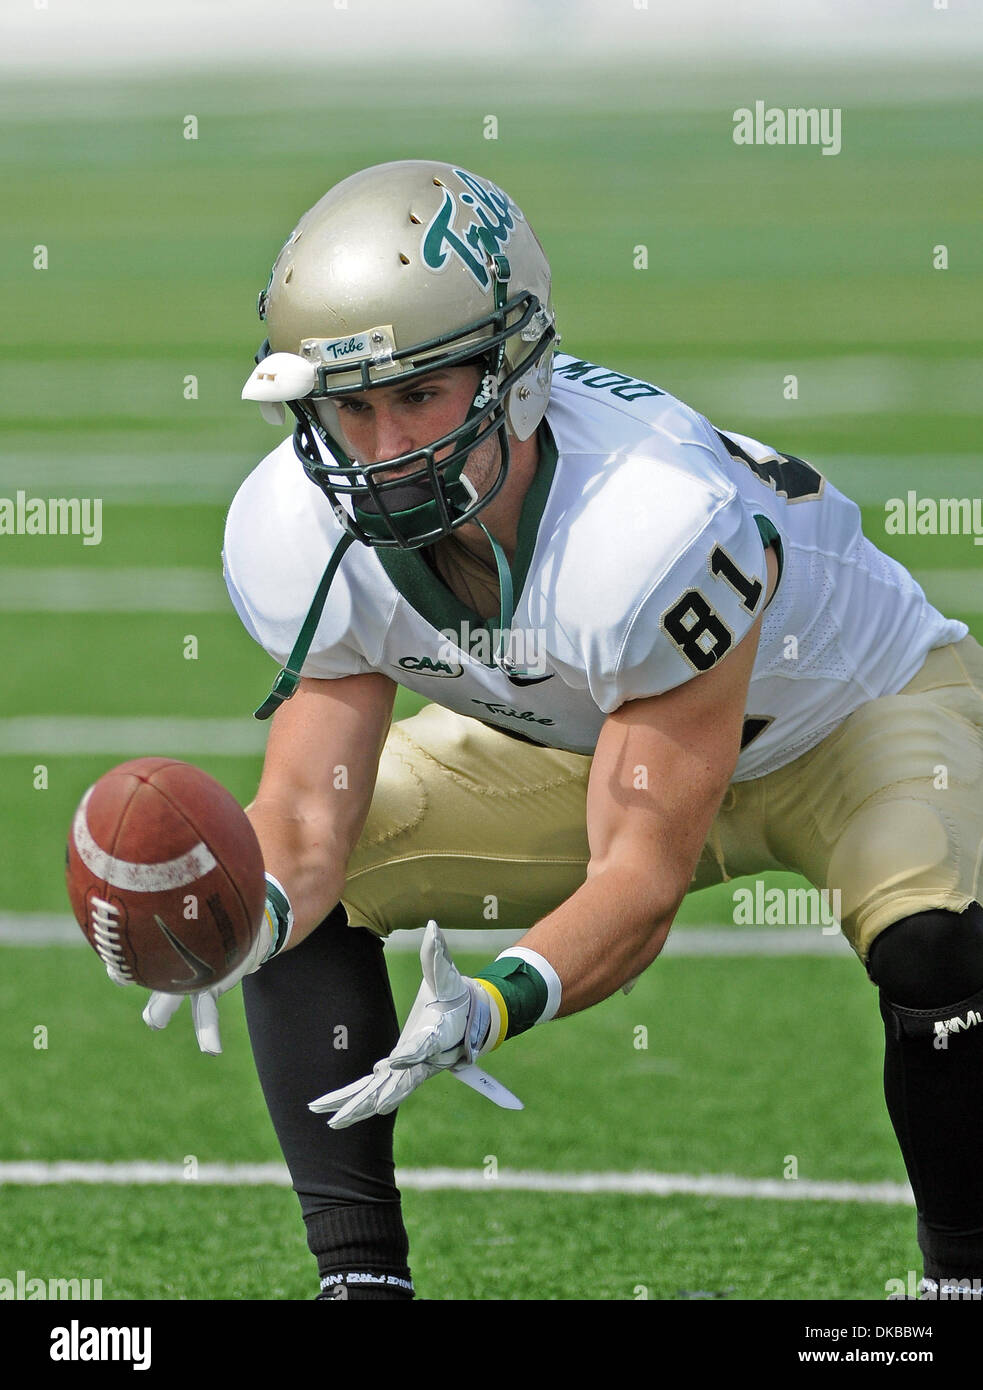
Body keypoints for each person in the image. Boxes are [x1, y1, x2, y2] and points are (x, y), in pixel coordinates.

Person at [142, 160, 983, 1301]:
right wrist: (255, 910)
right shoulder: (295, 523)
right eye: (348, 405)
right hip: (594, 735)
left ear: (513, 378)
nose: (381, 446)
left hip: (853, 711)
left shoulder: (650, 518)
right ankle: (357, 1284)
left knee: (930, 927)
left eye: (419, 396)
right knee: (306, 903)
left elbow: (637, 876)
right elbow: (301, 818)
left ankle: (957, 1289)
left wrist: (491, 1001)